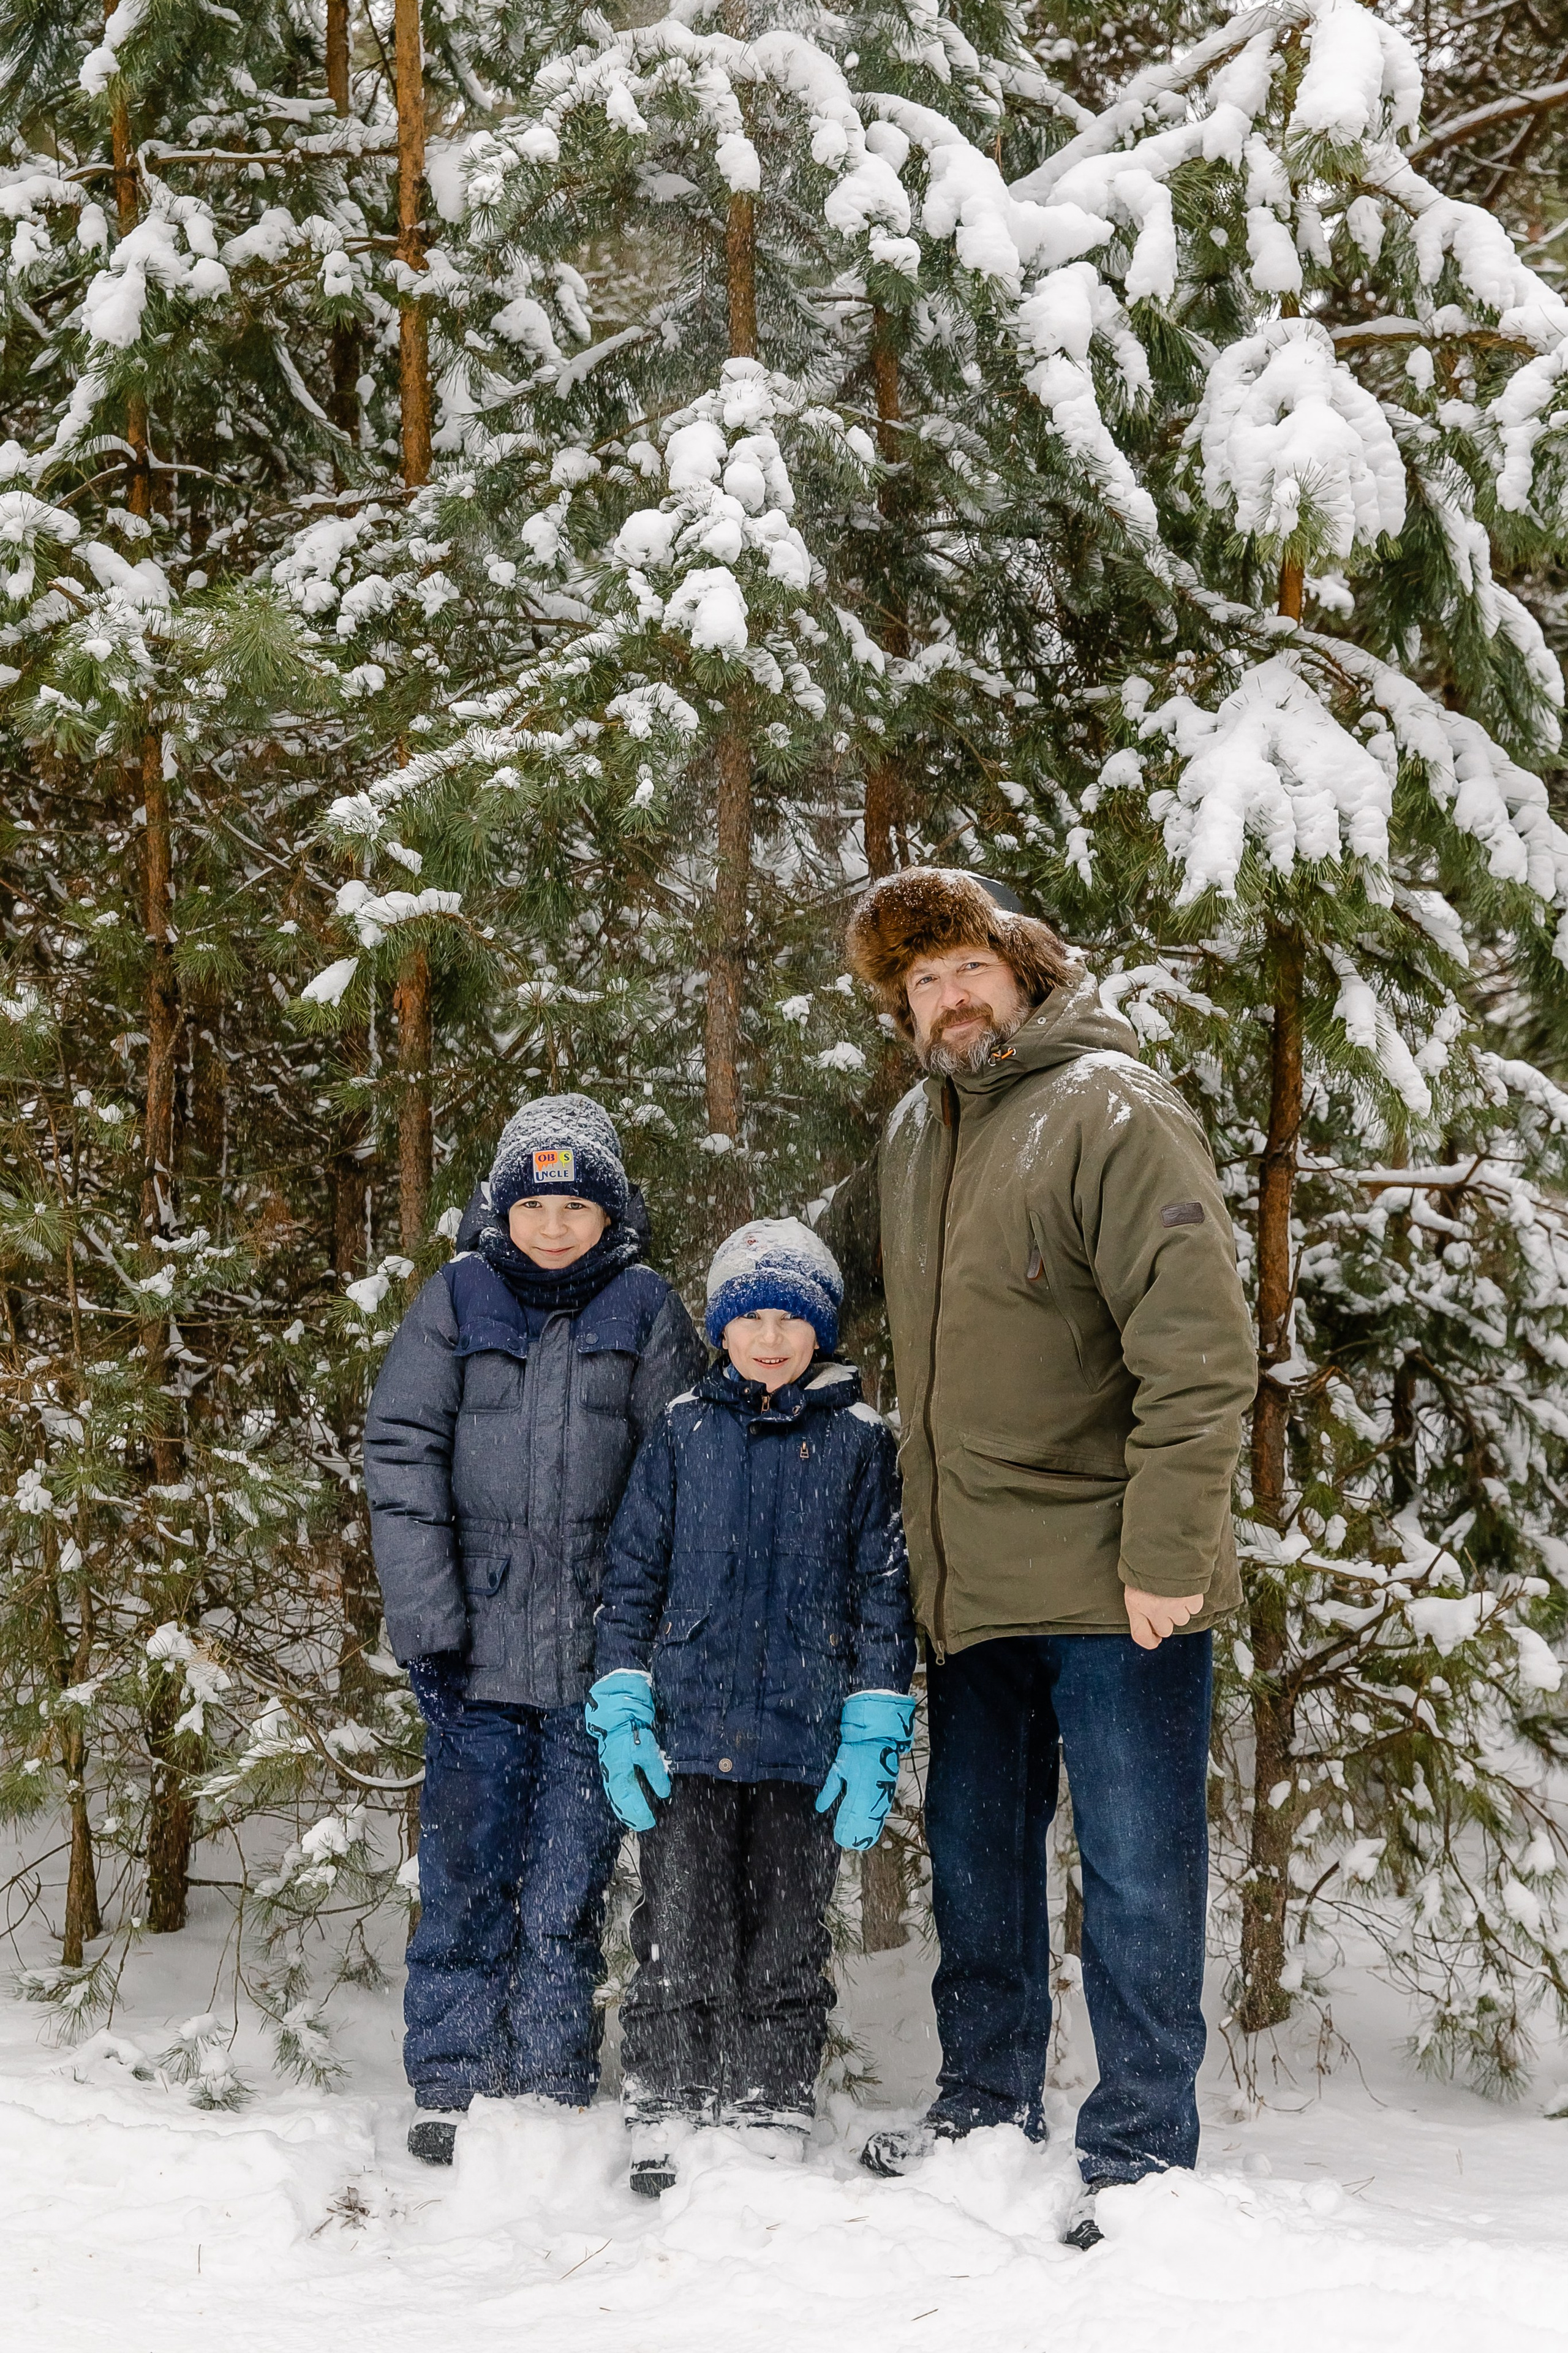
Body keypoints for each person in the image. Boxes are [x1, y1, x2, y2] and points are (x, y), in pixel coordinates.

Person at [824, 868, 1256, 2247]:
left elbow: (1199, 1351)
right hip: (972, 1583)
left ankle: (1139, 2155)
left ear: (1023, 967)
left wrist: (1167, 1552)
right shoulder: (919, 1129)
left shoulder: (1110, 1107)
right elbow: (849, 1294)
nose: (948, 999)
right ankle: (982, 2110)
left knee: (1135, 1871)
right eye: (921, 983)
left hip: (1118, 1579)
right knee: (976, 1861)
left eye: (967, 968)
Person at [364, 1095, 706, 2164]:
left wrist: (648, 1644)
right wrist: (429, 1628)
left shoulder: (645, 1309)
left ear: (612, 1215)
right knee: (467, 1881)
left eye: (576, 1206)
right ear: (500, 1209)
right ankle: (454, 2081)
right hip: (475, 1662)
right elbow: (402, 1457)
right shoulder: (458, 1298)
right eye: (534, 1205)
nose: (554, 1226)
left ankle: (551, 2080)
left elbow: (682, 1473)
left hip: (598, 1669)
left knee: (566, 1886)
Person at [586, 1218, 917, 2199]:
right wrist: (622, 1700)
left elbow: (883, 1591)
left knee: (788, 1934)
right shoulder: (682, 1432)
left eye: (791, 1319)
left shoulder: (860, 1444)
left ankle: (772, 2093)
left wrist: (874, 1721)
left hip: (803, 1744)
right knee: (677, 1926)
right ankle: (667, 2089)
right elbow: (631, 1578)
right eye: (751, 1319)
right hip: (687, 1738)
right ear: (722, 1329)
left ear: (822, 1331)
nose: (771, 1339)